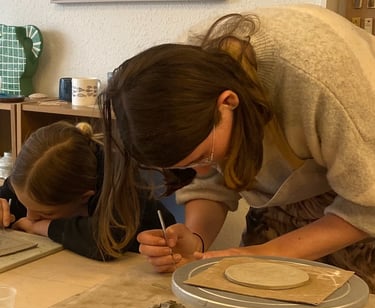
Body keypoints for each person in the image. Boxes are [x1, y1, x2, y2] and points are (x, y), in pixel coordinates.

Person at [96, 4, 375, 291]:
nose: (202, 171)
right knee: (252, 300)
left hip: (366, 188)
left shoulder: (319, 75)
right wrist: (194, 241)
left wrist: (267, 253)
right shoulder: (182, 78)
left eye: (204, 156)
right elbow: (208, 179)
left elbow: (367, 205)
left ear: (228, 102)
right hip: (286, 196)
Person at [0, 121, 175, 260]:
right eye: (25, 205)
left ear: (84, 198)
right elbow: (8, 195)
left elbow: (106, 242)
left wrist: (40, 226)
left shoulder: (119, 186)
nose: (29, 215)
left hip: (150, 269)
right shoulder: (30, 181)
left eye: (46, 213)